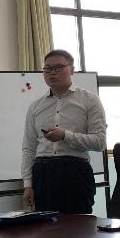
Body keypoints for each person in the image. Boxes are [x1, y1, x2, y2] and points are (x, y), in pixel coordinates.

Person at [21, 49, 107, 214]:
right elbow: (29, 148)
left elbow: (99, 142)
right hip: (43, 173)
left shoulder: (90, 100)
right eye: (47, 68)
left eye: (58, 67)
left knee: (79, 226)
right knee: (45, 227)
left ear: (72, 69)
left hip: (75, 171)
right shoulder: (35, 106)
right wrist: (28, 185)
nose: (52, 72)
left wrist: (64, 136)